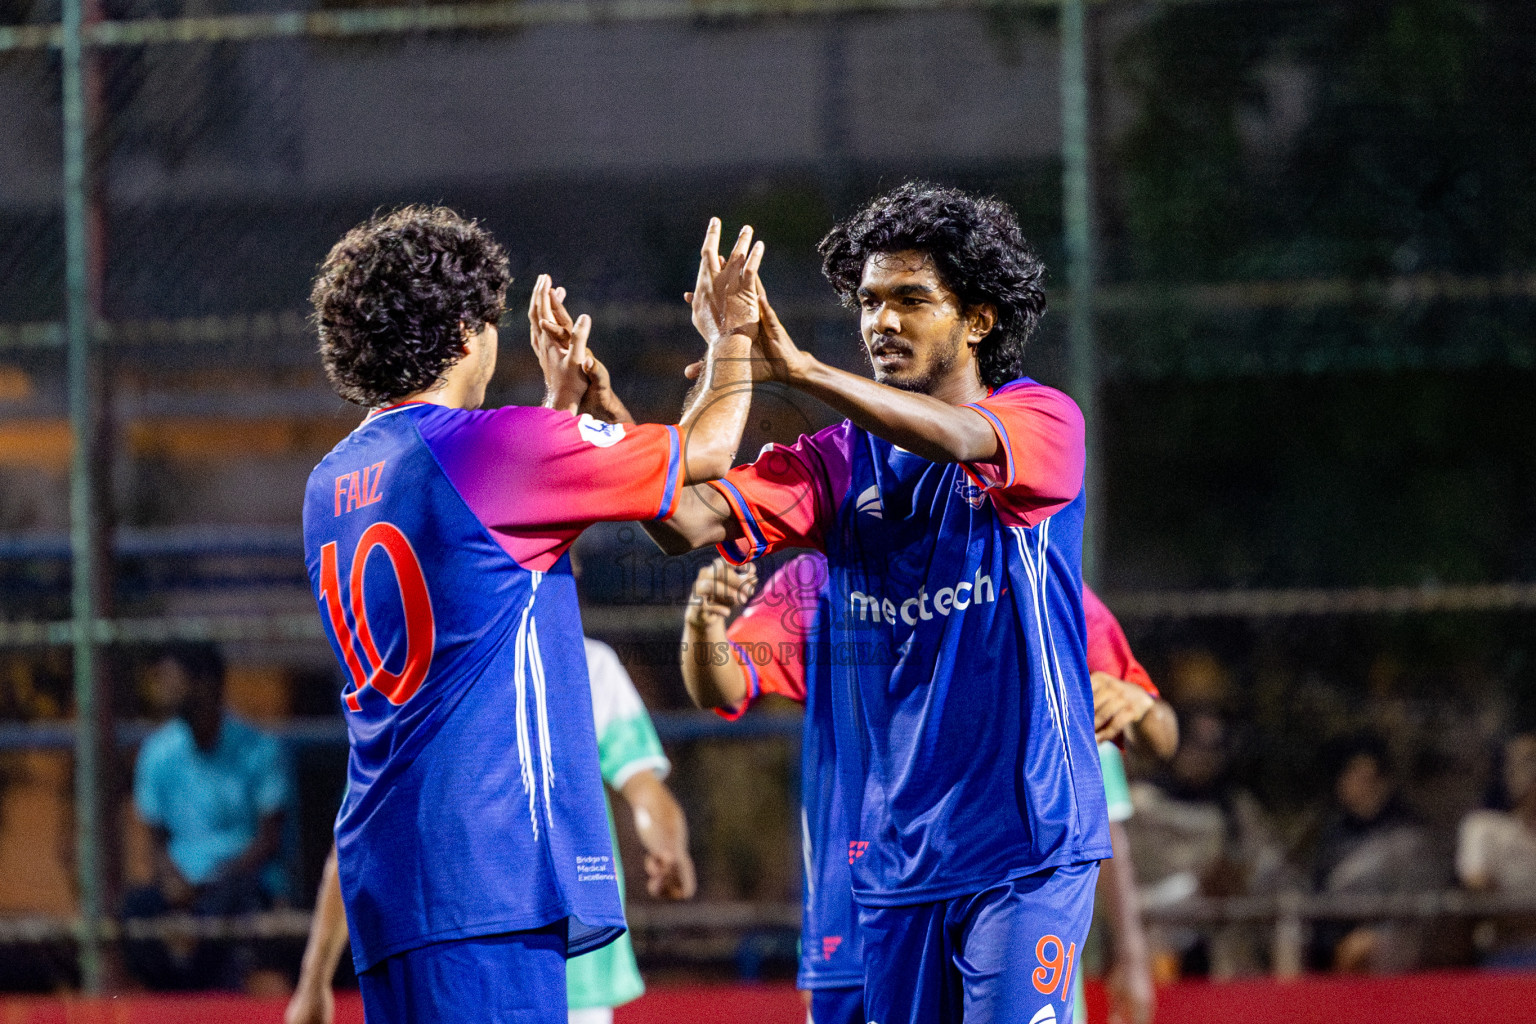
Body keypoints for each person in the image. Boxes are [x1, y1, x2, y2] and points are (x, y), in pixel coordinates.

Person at [651, 182, 1109, 1024]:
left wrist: (803, 370)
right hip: (898, 862)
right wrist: (726, 360)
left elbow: (959, 436)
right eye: (868, 301)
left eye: (911, 300)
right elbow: (683, 519)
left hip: (1027, 844)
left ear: (979, 319)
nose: (882, 322)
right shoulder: (836, 463)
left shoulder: (1043, 420)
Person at [301, 206, 761, 1023]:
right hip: (484, 869)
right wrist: (731, 337)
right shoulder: (486, 447)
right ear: (465, 334)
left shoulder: (330, 481)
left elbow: (486, 561)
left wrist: (557, 410)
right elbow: (710, 449)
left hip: (390, 867)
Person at [681, 556, 1175, 1024]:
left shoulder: (1029, 561)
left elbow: (1156, 739)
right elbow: (724, 684)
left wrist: (1141, 708)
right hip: (858, 921)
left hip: (1002, 902)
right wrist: (704, 625)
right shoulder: (822, 576)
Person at [285, 637, 697, 1024]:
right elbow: (362, 840)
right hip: (464, 970)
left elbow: (645, 789)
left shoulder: (589, 663)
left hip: (570, 967)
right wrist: (313, 980)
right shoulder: (420, 671)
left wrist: (670, 848)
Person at [124, 643, 290, 991]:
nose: (162, 688)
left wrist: (213, 882)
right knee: (135, 909)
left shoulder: (260, 748)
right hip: (181, 886)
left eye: (172, 678)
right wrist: (173, 881)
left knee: (230, 908)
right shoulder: (157, 753)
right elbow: (155, 841)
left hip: (240, 882)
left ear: (206, 683)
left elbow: (269, 839)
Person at [1307, 732, 1441, 973]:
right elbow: (1317, 896)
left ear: (1384, 782)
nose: (1351, 783)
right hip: (1329, 949)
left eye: (1363, 777)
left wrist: (1372, 940)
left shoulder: (1408, 837)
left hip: (1385, 953)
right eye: (1347, 774)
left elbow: (1416, 909)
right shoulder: (1332, 835)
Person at [1457, 733, 1536, 966]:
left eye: (1532, 762)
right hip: (1506, 955)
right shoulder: (1484, 827)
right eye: (1518, 764)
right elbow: (1478, 887)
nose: (1527, 773)